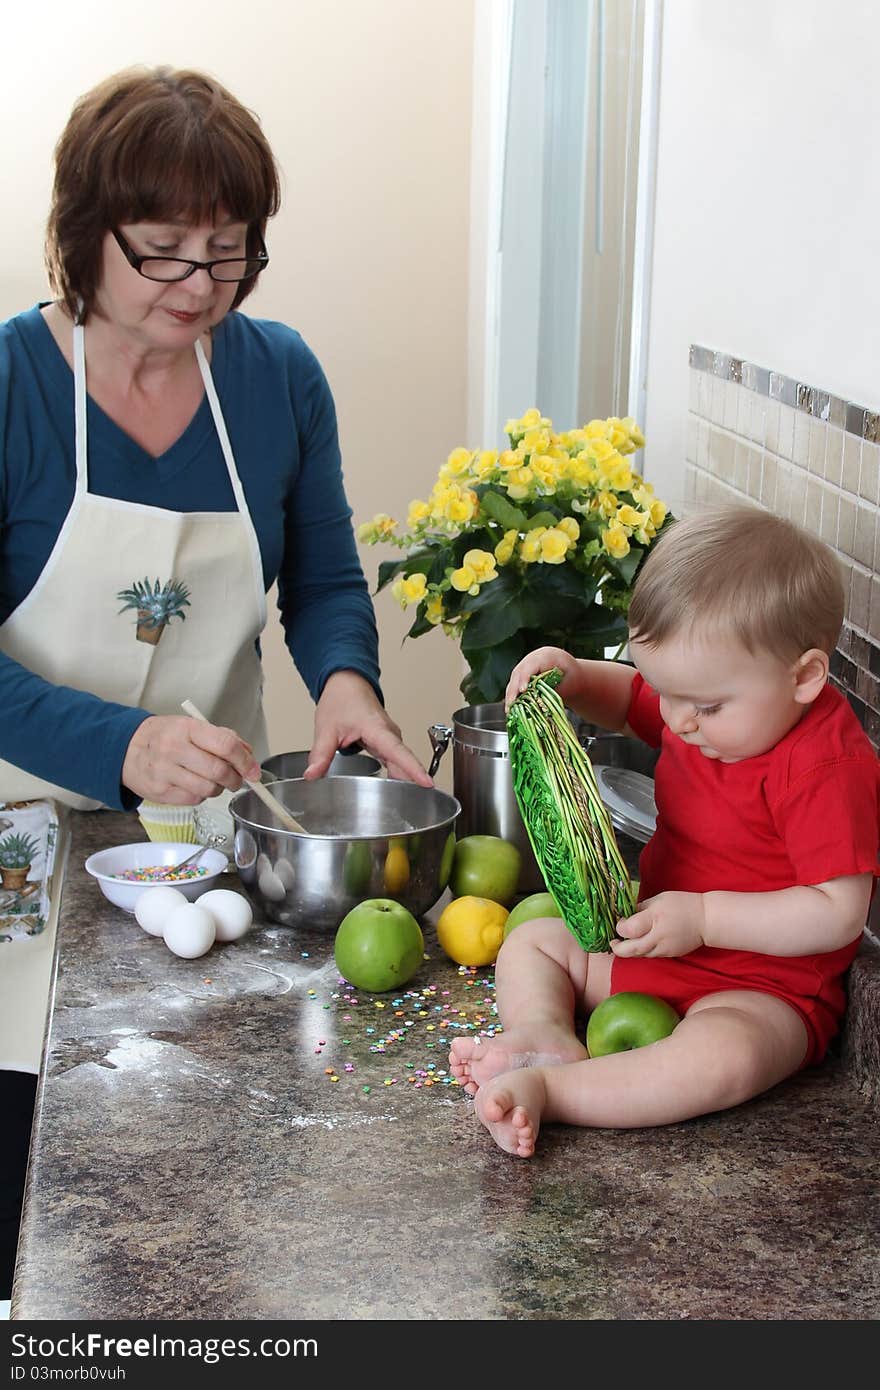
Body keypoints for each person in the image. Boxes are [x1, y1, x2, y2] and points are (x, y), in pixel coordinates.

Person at [0, 65, 431, 1296]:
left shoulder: (275, 376)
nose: (200, 289)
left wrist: (346, 682)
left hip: (205, 851)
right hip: (18, 850)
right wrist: (120, 745)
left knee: (205, 1222)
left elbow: (328, 582)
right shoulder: (11, 386)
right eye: (164, 256)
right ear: (83, 235)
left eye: (229, 255)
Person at [449, 503, 879, 1158]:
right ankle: (545, 1034)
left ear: (804, 677)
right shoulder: (702, 705)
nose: (676, 721)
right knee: (533, 941)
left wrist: (704, 919)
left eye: (703, 705)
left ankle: (557, 1092)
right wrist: (578, 675)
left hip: (762, 989)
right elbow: (629, 702)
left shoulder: (825, 766)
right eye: (666, 690)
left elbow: (836, 913)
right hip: (652, 944)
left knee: (723, 1059)